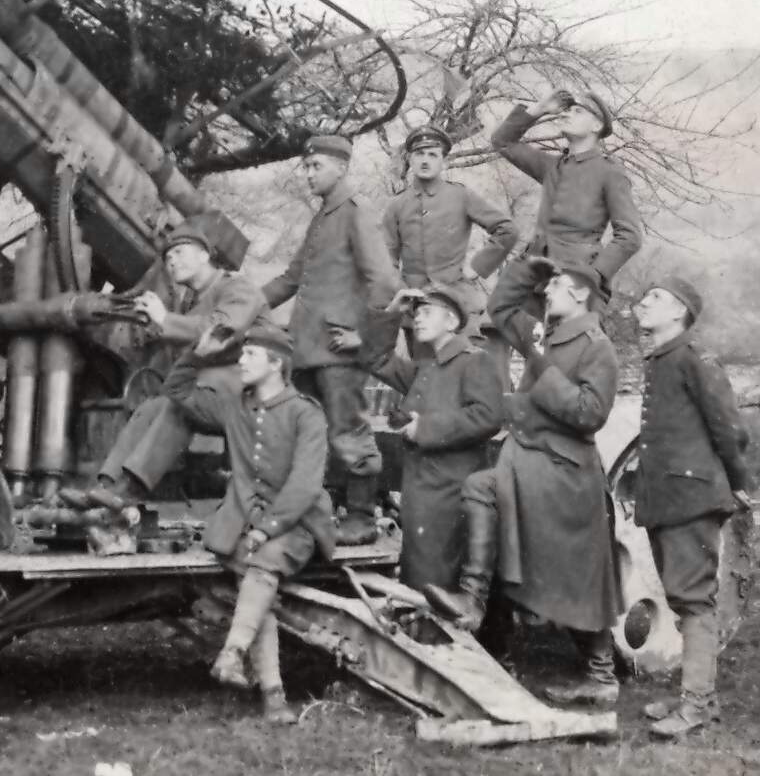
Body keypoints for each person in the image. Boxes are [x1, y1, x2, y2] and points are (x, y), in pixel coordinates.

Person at [425, 257, 624, 707]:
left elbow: (591, 413)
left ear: (579, 293)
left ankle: (599, 674)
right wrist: (526, 271)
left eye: (556, 285)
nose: (547, 292)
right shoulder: (543, 333)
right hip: (532, 462)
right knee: (486, 494)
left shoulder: (598, 347)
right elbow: (500, 307)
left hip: (564, 469)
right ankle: (474, 602)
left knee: (575, 574)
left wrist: (543, 368)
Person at [62, 222, 270, 534]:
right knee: (152, 406)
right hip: (220, 394)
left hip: (255, 397)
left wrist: (165, 320)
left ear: (204, 255)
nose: (172, 261)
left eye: (179, 253)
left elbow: (220, 331)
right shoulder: (190, 301)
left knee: (177, 406)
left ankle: (128, 491)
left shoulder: (236, 288)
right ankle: (105, 488)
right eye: (168, 257)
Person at [262, 134, 400, 545]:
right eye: (305, 167)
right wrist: (237, 301)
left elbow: (385, 281)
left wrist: (366, 337)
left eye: (315, 166)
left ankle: (360, 520)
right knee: (304, 436)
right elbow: (290, 279)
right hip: (306, 351)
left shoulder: (356, 211)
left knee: (348, 434)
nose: (307, 174)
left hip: (338, 353)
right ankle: (309, 514)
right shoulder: (322, 217)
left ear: (341, 167)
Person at [631, 277, 751, 739]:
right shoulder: (662, 360)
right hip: (667, 498)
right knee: (685, 600)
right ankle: (701, 697)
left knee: (695, 601)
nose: (643, 302)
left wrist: (738, 483)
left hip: (691, 497)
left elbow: (728, 428)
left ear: (680, 312)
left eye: (655, 298)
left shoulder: (692, 360)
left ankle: (696, 706)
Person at [205, 324, 336, 724]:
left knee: (261, 566)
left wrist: (267, 527)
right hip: (245, 525)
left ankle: (234, 653)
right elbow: (178, 393)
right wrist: (202, 352)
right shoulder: (235, 405)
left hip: (297, 525)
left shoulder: (305, 414)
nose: (240, 361)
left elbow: (304, 485)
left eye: (250, 355)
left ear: (276, 363)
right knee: (257, 588)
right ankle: (274, 698)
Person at [353, 285, 505, 594]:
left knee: (436, 583)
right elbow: (375, 357)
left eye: (426, 313)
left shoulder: (475, 361)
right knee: (419, 579)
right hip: (421, 491)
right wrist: (392, 311)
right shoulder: (426, 368)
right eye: (415, 314)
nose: (417, 320)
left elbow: (488, 417)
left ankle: (440, 640)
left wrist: (425, 428)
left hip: (450, 493)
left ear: (451, 322)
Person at [487, 88, 643, 309]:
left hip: (575, 282)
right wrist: (539, 109)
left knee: (572, 341)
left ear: (596, 126)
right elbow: (503, 142)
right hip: (533, 275)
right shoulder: (553, 166)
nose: (566, 114)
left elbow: (630, 236)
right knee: (498, 327)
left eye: (578, 111)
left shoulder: (610, 172)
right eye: (567, 111)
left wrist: (591, 275)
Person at [382, 124, 517, 353]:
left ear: (443, 161)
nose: (425, 161)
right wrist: (401, 290)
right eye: (419, 154)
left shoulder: (460, 195)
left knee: (466, 368)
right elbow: (386, 260)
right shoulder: (396, 205)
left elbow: (507, 229)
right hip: (417, 308)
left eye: (433, 155)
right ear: (410, 159)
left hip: (458, 302)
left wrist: (476, 267)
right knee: (425, 378)